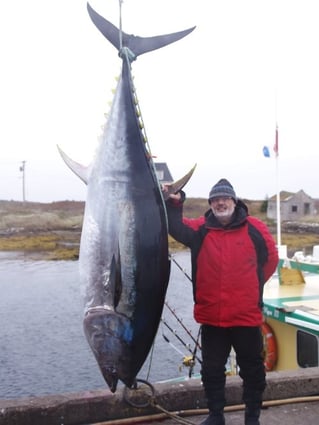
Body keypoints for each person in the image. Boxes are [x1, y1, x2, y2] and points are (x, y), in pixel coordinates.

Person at [163, 178, 278, 425]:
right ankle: (216, 416)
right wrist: (175, 202)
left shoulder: (255, 227)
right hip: (212, 319)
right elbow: (175, 227)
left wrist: (252, 288)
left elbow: (270, 259)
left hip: (246, 317)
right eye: (215, 200)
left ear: (234, 201)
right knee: (212, 372)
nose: (220, 203)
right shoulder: (200, 229)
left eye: (225, 198)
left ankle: (252, 417)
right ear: (211, 204)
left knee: (253, 371)